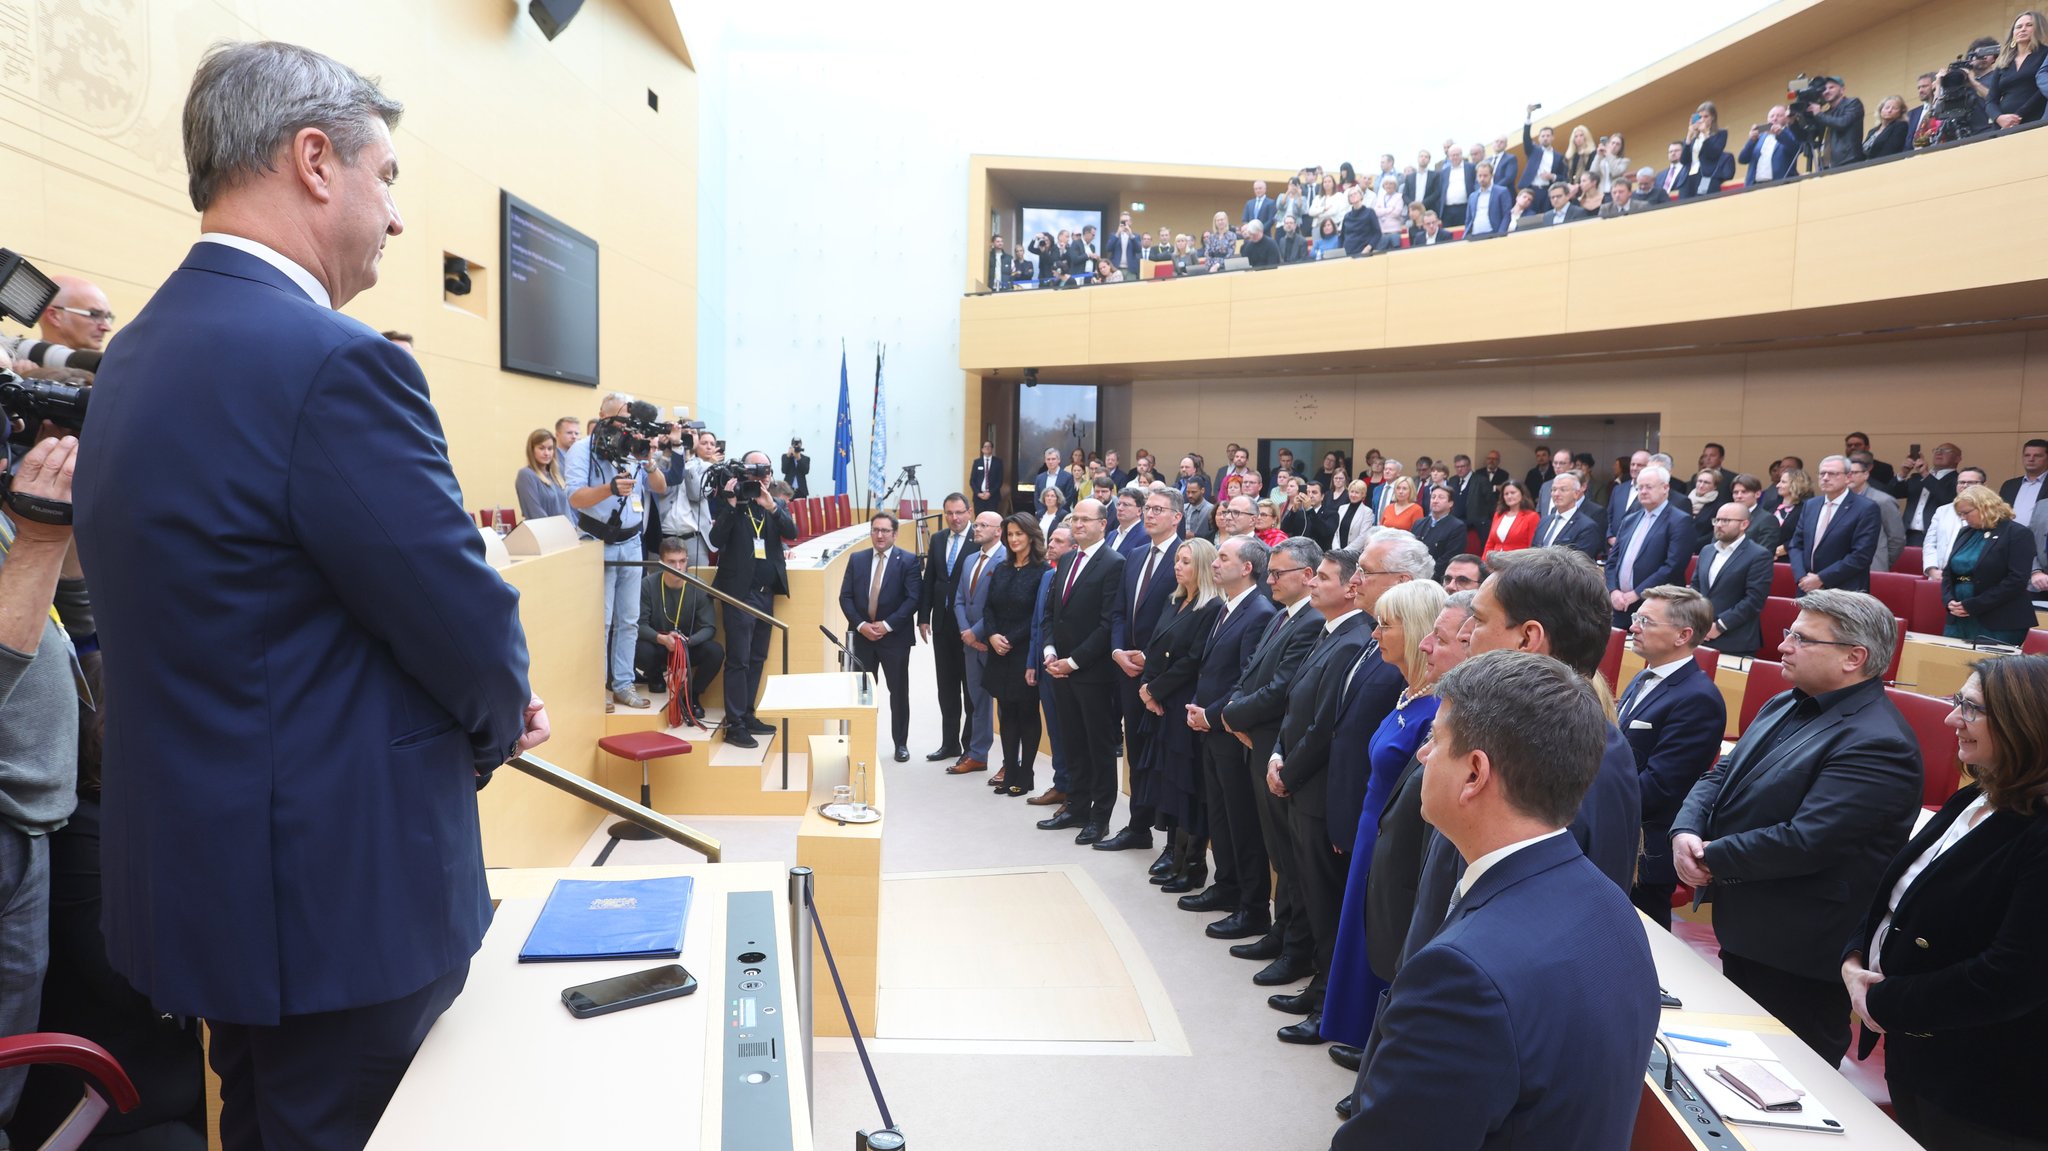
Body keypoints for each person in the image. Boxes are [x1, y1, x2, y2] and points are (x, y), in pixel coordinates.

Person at [71, 42, 546, 1151]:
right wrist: (496, 723)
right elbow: (465, 620)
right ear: (315, 160)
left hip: (211, 904)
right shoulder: (334, 364)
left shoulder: (133, 355)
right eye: (387, 180)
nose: (392, 218)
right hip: (343, 909)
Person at [1334, 650, 1659, 1151]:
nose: (1423, 756)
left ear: (1475, 774)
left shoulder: (1461, 976)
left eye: (1435, 741)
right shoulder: (1610, 905)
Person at [1670, 590, 1923, 1064]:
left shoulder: (1880, 742)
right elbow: (1722, 773)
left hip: (1798, 952)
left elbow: (1807, 840)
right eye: (1789, 633)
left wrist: (1709, 856)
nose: (1783, 646)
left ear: (1855, 657)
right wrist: (1685, 830)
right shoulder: (1785, 702)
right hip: (1749, 926)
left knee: (1783, 1081)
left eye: (1802, 639)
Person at [1843, 658, 2048, 1150]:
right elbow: (1899, 898)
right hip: (1920, 1056)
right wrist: (1854, 958)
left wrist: (1879, 1000)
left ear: (2026, 722)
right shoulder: (1977, 795)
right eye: (1958, 702)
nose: (1950, 719)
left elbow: (2007, 979)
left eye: (1970, 708)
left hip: (1989, 1091)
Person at [1321, 578, 1447, 1070]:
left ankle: (1380, 1050)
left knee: (1386, 937)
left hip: (1395, 839)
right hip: (1371, 826)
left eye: (1385, 625)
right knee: (1360, 932)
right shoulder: (1406, 691)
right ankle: (1359, 1034)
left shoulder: (1434, 708)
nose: (1375, 635)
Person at [1263, 546, 1374, 1046]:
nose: (1312, 584)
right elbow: (1297, 702)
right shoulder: (1331, 630)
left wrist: (1290, 767)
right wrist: (1278, 752)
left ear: (1351, 586)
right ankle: (1318, 985)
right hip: (1298, 774)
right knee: (1308, 891)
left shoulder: (1353, 638)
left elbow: (1327, 723)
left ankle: (1328, 999)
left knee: (1324, 901)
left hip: (1317, 787)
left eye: (1324, 578)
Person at [1217, 538, 1326, 986]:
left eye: (1279, 573)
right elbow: (1249, 675)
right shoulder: (1282, 615)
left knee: (1291, 855)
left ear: (1308, 575)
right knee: (1278, 851)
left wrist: (1226, 714)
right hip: (1257, 741)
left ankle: (1295, 946)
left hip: (1276, 746)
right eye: (1271, 572)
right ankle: (1281, 930)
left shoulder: (1311, 622)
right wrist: (1232, 709)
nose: (1270, 579)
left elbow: (1280, 690)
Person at [1618, 587, 1728, 927]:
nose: (1633, 627)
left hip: (1644, 853)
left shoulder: (1698, 698)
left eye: (1645, 621)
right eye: (1636, 618)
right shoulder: (1643, 676)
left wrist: (1587, 802)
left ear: (1683, 635)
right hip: (1620, 835)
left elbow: (1661, 786)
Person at [1185, 537, 1279, 936]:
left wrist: (1211, 714)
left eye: (1224, 557)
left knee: (1241, 820)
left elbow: (1246, 678)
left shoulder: (1258, 611)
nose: (1215, 563)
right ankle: (1225, 885)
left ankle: (1251, 904)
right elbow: (1211, 670)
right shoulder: (1228, 607)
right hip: (1210, 725)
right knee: (1220, 814)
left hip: (1229, 728)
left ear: (1247, 568)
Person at [1129, 536, 1223, 885]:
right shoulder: (1175, 600)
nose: (1178, 567)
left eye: (1185, 561)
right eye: (1177, 561)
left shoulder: (1211, 607)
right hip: (1161, 702)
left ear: (1202, 565)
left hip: (1181, 700)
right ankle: (1173, 850)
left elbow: (1191, 659)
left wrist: (1153, 688)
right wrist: (1148, 688)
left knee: (1186, 783)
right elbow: (1156, 648)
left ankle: (1192, 860)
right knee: (1166, 779)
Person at [1036, 499, 1127, 845]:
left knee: (1098, 747)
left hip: (1092, 672)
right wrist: (1049, 651)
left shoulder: (1114, 563)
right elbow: (1051, 613)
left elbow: (1107, 625)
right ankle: (1075, 805)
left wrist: (1072, 661)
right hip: (1058, 668)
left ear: (1104, 524)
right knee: (1071, 742)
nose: (1078, 525)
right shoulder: (1067, 560)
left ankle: (1100, 817)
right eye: (1075, 519)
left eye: (1085, 520)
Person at [1099, 490, 1185, 852]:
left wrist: (1150, 659)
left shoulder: (1186, 556)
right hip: (1127, 669)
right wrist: (1118, 651)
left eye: (1158, 509)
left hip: (1164, 674)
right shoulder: (1133, 555)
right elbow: (1118, 611)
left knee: (1163, 755)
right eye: (1147, 508)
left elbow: (1186, 616)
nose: (1150, 515)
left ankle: (1173, 842)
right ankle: (1138, 826)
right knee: (1134, 748)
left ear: (1177, 517)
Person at [709, 450, 797, 746]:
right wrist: (732, 505)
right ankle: (733, 724)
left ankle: (747, 713)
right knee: (739, 659)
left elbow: (792, 532)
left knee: (758, 657)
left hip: (765, 593)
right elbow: (715, 540)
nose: (761, 477)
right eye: (756, 471)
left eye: (765, 471)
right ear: (744, 473)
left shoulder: (774, 503)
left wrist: (772, 506)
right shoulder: (731, 501)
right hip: (738, 594)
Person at [838, 513, 923, 762]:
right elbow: (846, 597)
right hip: (862, 637)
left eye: (885, 531)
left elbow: (912, 599)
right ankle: (863, 744)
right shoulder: (857, 559)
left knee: (897, 692)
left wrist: (886, 626)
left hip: (894, 638)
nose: (880, 535)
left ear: (895, 534)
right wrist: (862, 625)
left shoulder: (907, 561)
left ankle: (900, 744)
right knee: (863, 693)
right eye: (876, 530)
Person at [979, 515, 1050, 797]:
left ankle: (1026, 772)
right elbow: (988, 608)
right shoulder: (1003, 568)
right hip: (998, 650)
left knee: (1026, 713)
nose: (1014, 539)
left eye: (1019, 534)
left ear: (1032, 536)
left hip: (1024, 651)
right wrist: (993, 635)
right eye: (1009, 534)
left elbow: (1038, 613)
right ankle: (1009, 768)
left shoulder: (1043, 571)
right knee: (1005, 713)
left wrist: (1011, 638)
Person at [635, 536, 723, 726]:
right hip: (658, 644)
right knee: (638, 647)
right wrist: (661, 638)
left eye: (682, 561)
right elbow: (639, 625)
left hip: (686, 645)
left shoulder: (697, 585)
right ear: (661, 563)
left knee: (715, 651)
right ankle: (655, 675)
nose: (678, 567)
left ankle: (692, 695)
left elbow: (709, 627)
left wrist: (687, 641)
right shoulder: (648, 585)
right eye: (671, 562)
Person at [1939, 486, 2036, 645]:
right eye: (1960, 514)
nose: (1963, 518)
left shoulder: (2017, 533)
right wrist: (1948, 600)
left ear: (1984, 507)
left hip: (1998, 620)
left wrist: (1974, 605)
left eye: (1966, 513)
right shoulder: (1966, 532)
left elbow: (2017, 580)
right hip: (1958, 617)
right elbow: (1950, 572)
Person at [948, 511, 1006, 775]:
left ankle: (1011, 762)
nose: (977, 528)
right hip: (970, 644)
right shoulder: (971, 558)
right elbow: (959, 598)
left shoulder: (1007, 559)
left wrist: (976, 632)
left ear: (998, 530)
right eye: (978, 524)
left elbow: (997, 605)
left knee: (1005, 706)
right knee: (977, 702)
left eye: (984, 525)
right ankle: (978, 755)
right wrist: (965, 631)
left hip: (995, 643)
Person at [919, 495, 975, 764]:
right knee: (946, 687)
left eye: (959, 512)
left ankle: (970, 747)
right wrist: (923, 616)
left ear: (969, 511)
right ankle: (949, 743)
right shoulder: (939, 539)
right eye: (949, 513)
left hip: (969, 626)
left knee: (970, 689)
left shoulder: (980, 537)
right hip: (941, 622)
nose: (954, 518)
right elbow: (929, 579)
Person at [1607, 464, 1695, 629]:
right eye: (1640, 487)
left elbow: (1673, 566)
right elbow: (1612, 560)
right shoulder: (1630, 520)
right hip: (1620, 604)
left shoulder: (1679, 521)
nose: (1643, 491)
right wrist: (1613, 591)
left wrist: (1637, 593)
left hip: (1656, 606)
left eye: (1649, 487)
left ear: (1665, 488)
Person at [1789, 455, 1882, 593]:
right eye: (1822, 473)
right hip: (1807, 586)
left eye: (1832, 473)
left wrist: (1821, 578)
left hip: (1844, 590)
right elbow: (1796, 544)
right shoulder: (1811, 505)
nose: (1825, 477)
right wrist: (1802, 577)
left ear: (1848, 477)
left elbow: (1861, 555)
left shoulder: (1865, 508)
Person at [1691, 502, 1774, 658]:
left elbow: (1754, 600)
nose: (1719, 525)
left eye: (1726, 521)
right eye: (1717, 520)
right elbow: (1695, 588)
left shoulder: (1758, 555)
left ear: (1744, 524)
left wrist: (1720, 626)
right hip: (1700, 634)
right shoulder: (1707, 550)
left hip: (1735, 640)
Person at [1981, 10, 2048, 128]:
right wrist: (1998, 117)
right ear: (2013, 33)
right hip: (2003, 126)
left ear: (2038, 28)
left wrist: (2017, 116)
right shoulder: (2003, 62)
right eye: (2018, 27)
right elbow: (1990, 100)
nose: (2023, 29)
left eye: (2029, 25)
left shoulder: (2045, 54)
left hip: (2036, 120)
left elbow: (2043, 90)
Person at [1809, 75, 1867, 169]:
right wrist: (1793, 121)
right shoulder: (1825, 114)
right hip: (1825, 166)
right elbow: (1807, 137)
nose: (1827, 91)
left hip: (1848, 162)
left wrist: (1819, 114)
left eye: (1831, 87)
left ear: (1842, 90)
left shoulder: (1853, 103)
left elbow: (1842, 123)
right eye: (1824, 89)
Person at [515, 427, 570, 521]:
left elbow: (567, 511)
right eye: (541, 448)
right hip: (543, 532)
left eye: (550, 448)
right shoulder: (526, 475)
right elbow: (535, 513)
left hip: (564, 532)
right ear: (532, 450)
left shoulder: (556, 476)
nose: (547, 453)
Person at [1412, 485, 1466, 580]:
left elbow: (1449, 557)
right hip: (1414, 574)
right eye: (1433, 497)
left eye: (1441, 497)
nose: (1435, 500)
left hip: (1437, 578)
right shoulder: (1419, 523)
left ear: (1450, 503)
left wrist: (1428, 575)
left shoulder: (1457, 526)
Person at [1480, 479, 1538, 559]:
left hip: (1517, 564)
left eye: (1513, 493)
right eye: (1506, 494)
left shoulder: (1532, 516)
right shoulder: (1498, 515)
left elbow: (1532, 547)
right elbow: (1490, 543)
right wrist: (1484, 564)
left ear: (1522, 494)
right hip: (1495, 563)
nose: (1509, 496)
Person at [968, 440, 1003, 515]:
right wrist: (978, 493)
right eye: (985, 446)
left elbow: (999, 481)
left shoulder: (998, 462)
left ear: (992, 449)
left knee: (991, 520)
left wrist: (990, 493)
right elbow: (972, 481)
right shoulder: (977, 462)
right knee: (979, 519)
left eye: (989, 446)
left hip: (992, 498)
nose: (987, 448)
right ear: (982, 449)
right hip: (979, 498)